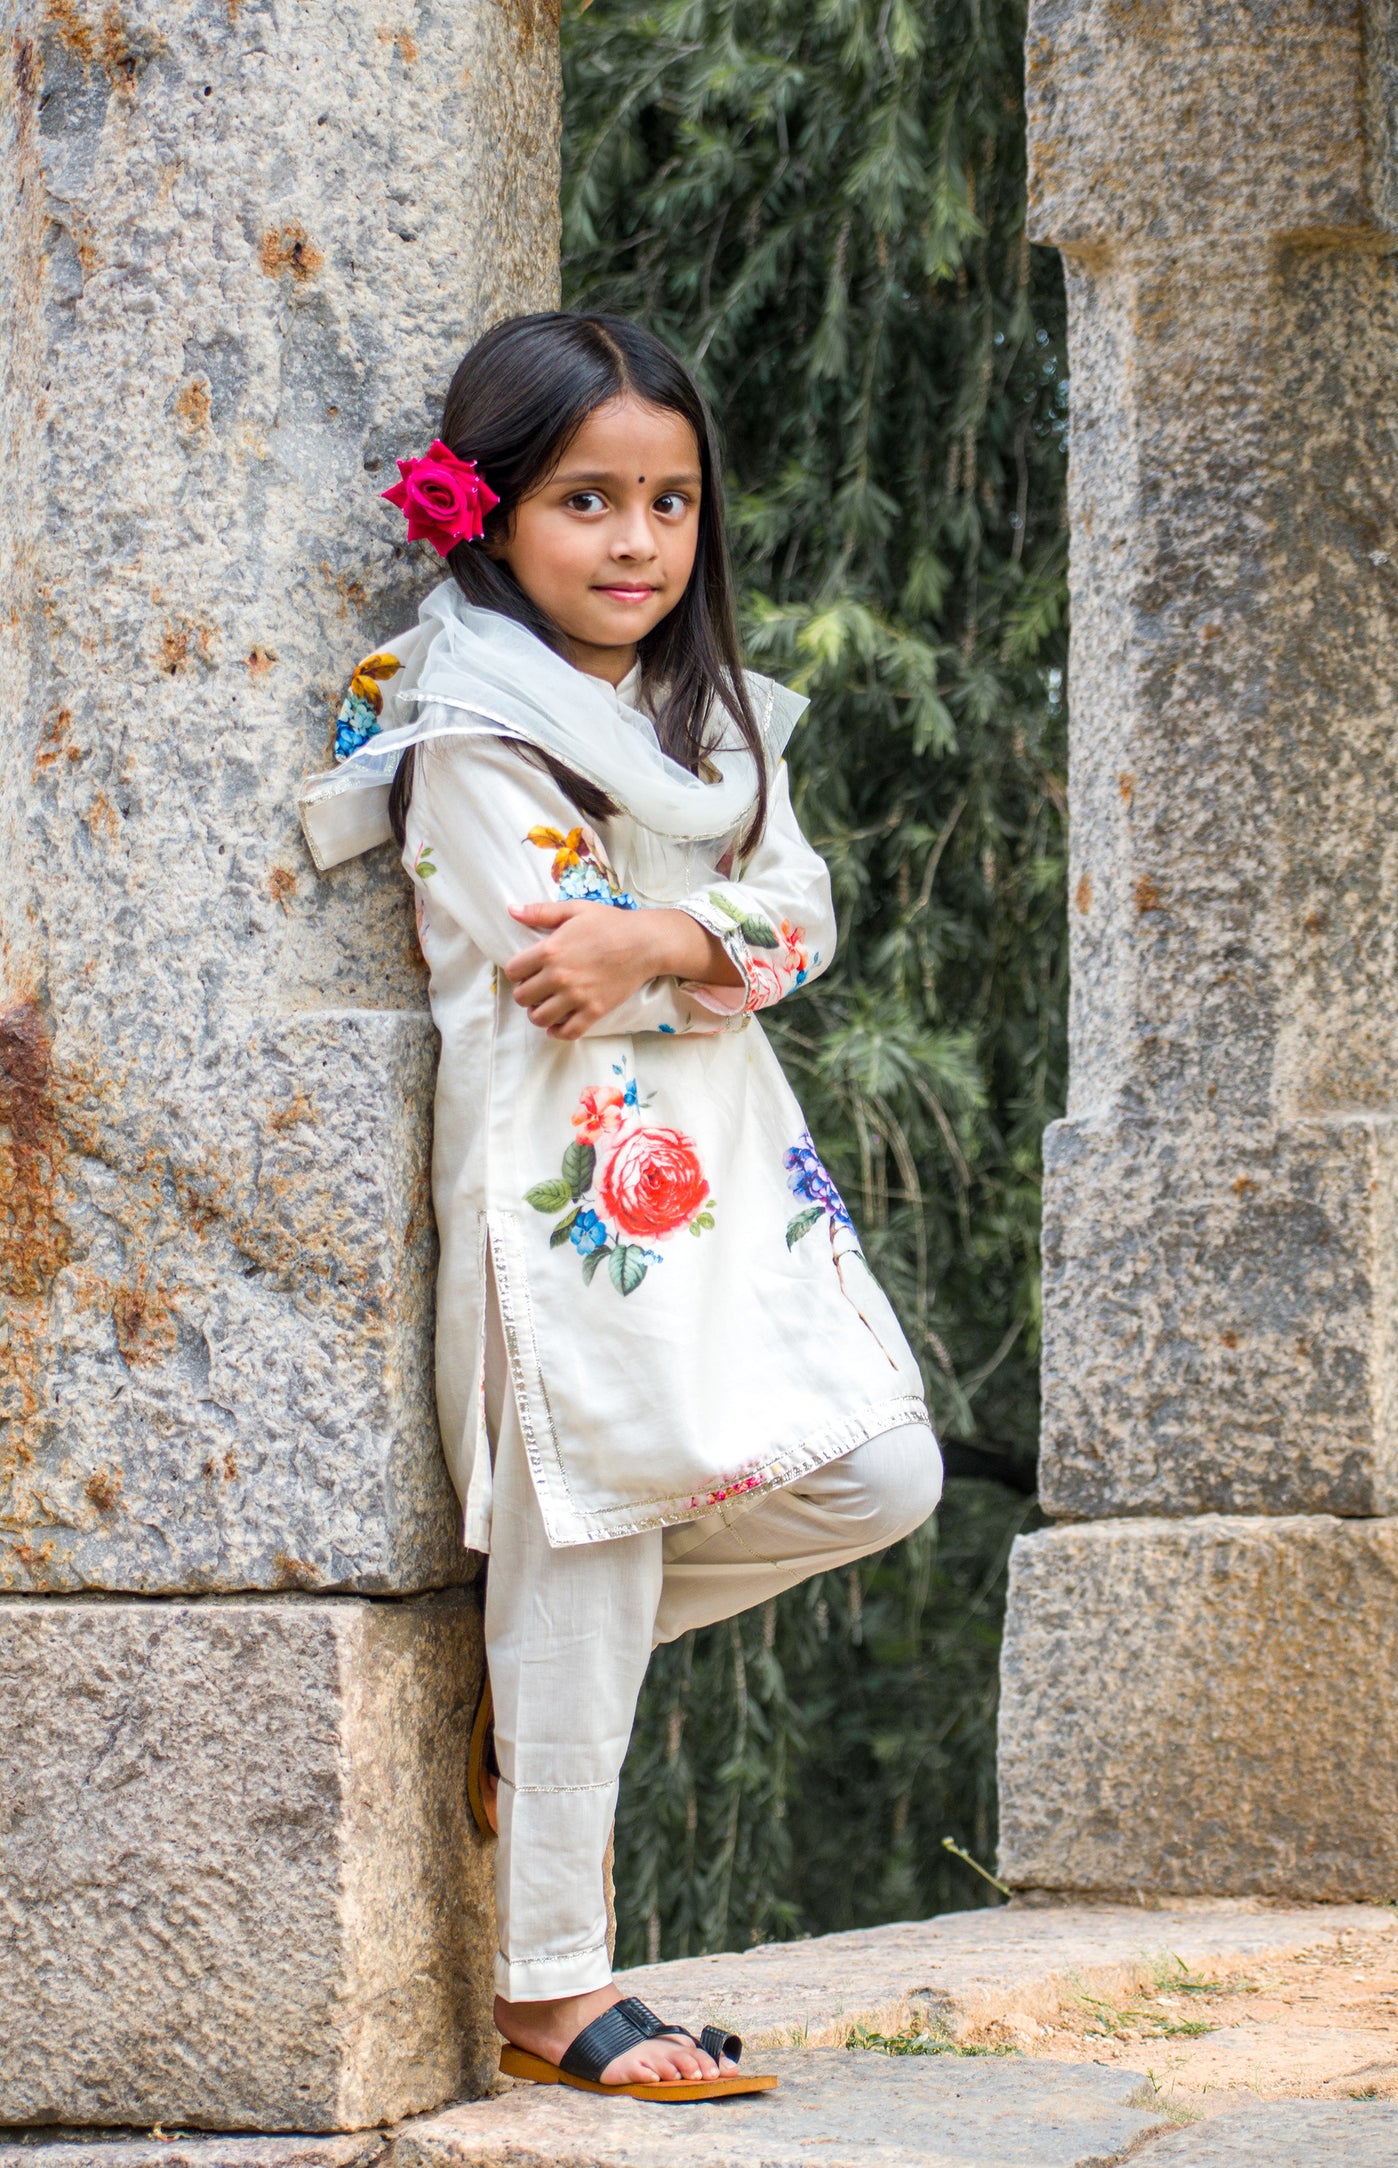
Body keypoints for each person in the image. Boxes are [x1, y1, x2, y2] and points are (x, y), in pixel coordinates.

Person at [300, 312, 942, 2103]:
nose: (637, 541)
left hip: (726, 1182)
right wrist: (702, 949)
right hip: (561, 1200)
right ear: (493, 513)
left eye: (669, 501)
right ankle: (552, 1990)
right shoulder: (466, 728)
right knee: (593, 1531)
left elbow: (802, 913)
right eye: (587, 499)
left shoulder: (714, 724)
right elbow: (561, 973)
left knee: (879, 1473)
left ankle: (518, 1685)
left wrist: (669, 936)